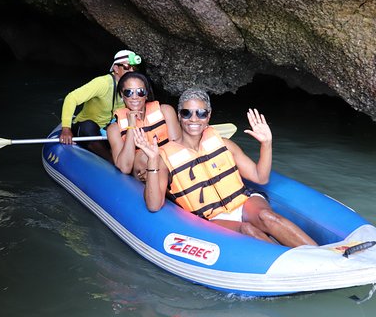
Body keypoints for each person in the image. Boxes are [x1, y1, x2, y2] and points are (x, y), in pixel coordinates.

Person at [132, 89, 318, 248]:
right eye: (187, 113)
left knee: (267, 217)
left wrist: (266, 144)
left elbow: (260, 178)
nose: (194, 119)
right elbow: (154, 205)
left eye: (201, 113)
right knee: (247, 230)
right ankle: (290, 266)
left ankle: (322, 255)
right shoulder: (164, 157)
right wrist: (153, 161)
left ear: (209, 116)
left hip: (243, 202)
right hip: (213, 217)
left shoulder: (225, 144)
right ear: (180, 116)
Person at [59, 49, 141, 160]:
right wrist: (66, 129)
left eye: (134, 68)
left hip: (110, 131)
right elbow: (71, 98)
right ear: (116, 69)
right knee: (88, 125)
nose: (131, 71)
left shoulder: (134, 89)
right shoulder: (103, 83)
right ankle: (112, 161)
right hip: (87, 131)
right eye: (127, 67)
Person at [106, 71, 181, 179]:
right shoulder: (114, 129)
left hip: (168, 168)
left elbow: (178, 149)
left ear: (146, 94)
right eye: (129, 92)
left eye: (140, 92)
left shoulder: (166, 111)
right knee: (142, 156)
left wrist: (155, 167)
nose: (135, 97)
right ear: (122, 95)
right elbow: (125, 167)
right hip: (141, 174)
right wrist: (131, 126)